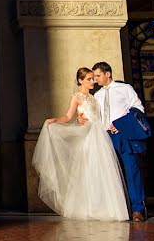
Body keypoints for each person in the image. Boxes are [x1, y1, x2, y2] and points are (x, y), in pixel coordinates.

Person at [32, 67, 129, 221]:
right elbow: (68, 116)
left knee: (104, 170)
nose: (93, 81)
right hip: (89, 136)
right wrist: (55, 120)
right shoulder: (77, 97)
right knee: (89, 170)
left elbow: (100, 116)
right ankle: (90, 208)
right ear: (80, 81)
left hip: (100, 135)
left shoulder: (95, 97)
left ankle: (108, 208)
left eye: (93, 78)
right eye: (89, 79)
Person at [79, 61, 148, 222]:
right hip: (105, 137)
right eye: (94, 76)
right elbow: (97, 117)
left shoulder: (125, 89)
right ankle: (119, 208)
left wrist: (121, 124)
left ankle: (137, 209)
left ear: (107, 74)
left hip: (124, 136)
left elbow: (138, 109)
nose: (95, 80)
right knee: (111, 173)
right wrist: (83, 118)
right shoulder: (98, 95)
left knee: (132, 171)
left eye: (98, 76)